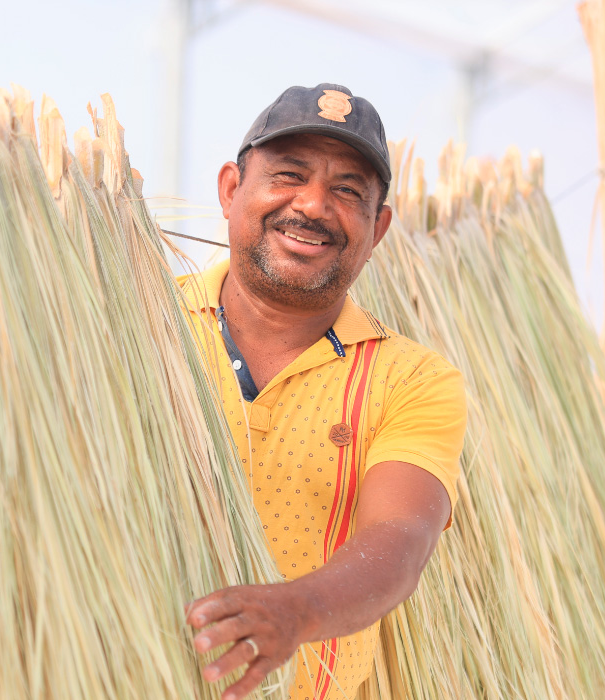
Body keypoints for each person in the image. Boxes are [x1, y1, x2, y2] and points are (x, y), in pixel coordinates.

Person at [178, 84, 466, 700]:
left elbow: (401, 538)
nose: (311, 205)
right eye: (289, 174)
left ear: (378, 226)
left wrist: (296, 612)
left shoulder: (411, 379)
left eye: (347, 192)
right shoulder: (138, 322)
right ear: (232, 190)